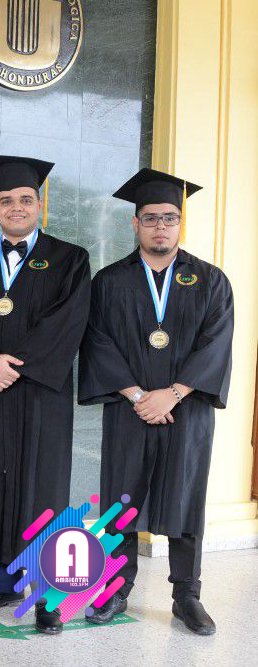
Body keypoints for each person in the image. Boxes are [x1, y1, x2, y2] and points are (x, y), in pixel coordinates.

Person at [79, 169, 233, 636]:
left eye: (169, 217)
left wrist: (174, 393)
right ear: (135, 223)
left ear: (180, 222)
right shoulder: (109, 281)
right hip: (130, 409)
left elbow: (216, 344)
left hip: (188, 411)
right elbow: (97, 341)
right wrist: (138, 395)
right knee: (121, 502)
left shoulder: (210, 280)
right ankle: (114, 588)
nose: (160, 226)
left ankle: (187, 595)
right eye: (150, 218)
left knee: (186, 497)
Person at [0, 155, 90, 635]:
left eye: (25, 199)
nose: (16, 207)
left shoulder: (71, 259)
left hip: (40, 394)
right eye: (6, 200)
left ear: (40, 205)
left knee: (42, 491)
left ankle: (48, 597)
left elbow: (66, 323)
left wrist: (11, 367)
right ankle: (1, 584)